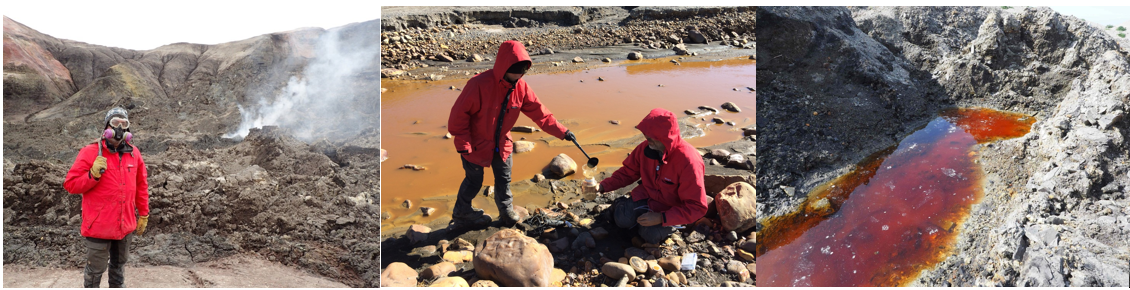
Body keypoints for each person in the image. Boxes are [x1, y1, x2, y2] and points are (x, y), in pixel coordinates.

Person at [448, 40, 576, 229]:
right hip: (475, 145)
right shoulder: (478, 85)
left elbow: (541, 114)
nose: (518, 76)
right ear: (503, 66)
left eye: (522, 71)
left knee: (504, 179)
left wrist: (563, 132)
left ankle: (506, 212)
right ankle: (462, 213)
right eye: (514, 72)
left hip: (502, 144)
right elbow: (458, 117)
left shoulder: (521, 87)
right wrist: (463, 144)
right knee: (474, 181)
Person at [584, 108, 708, 244]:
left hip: (669, 208)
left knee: (651, 235)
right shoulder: (645, 148)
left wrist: (662, 217)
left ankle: (648, 225)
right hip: (646, 197)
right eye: (646, 136)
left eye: (651, 137)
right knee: (621, 219)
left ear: (666, 138)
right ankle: (621, 207)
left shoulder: (689, 161)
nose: (646, 140)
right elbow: (627, 173)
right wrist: (602, 186)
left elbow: (696, 207)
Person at [63, 107, 151, 288]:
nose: (120, 128)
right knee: (95, 272)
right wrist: (92, 175)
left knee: (118, 267)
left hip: (124, 225)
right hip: (99, 226)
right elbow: (70, 185)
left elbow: (141, 186)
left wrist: (143, 214)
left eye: (124, 124)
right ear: (106, 127)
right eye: (115, 123)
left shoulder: (134, 153)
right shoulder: (90, 152)